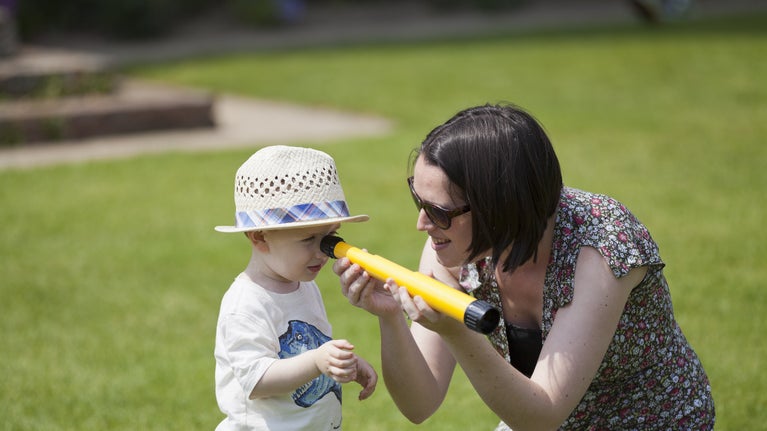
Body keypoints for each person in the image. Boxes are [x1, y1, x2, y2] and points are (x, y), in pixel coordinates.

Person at [334, 104, 715, 430]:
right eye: (419, 199)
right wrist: (390, 319)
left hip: (648, 421)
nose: (422, 223)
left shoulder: (602, 246)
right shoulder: (455, 246)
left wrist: (458, 333)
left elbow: (542, 417)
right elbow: (419, 405)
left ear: (498, 206)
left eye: (439, 211)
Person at [214, 145, 377, 430]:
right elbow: (257, 381)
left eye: (330, 237)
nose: (323, 251)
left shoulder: (302, 286)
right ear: (259, 237)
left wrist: (341, 362)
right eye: (308, 239)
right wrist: (316, 361)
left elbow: (310, 347)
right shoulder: (246, 303)